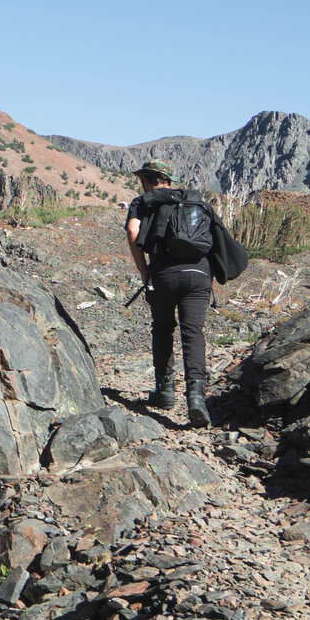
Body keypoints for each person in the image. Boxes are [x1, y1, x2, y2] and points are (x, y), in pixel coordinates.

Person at [124, 159, 215, 427]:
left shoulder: (142, 201)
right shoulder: (193, 201)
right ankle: (196, 398)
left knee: (163, 328)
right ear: (169, 180)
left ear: (147, 180)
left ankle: (164, 392)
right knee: (193, 333)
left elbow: (132, 231)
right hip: (199, 275)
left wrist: (144, 271)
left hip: (163, 275)